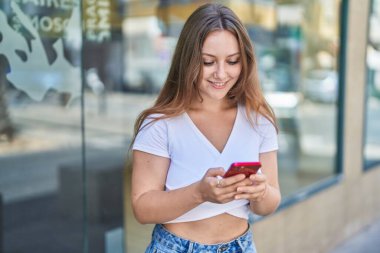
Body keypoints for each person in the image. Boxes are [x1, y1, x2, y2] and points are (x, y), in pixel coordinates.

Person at [131, 3, 281, 253]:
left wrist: (260, 192)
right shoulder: (161, 123)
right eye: (208, 62)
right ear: (187, 60)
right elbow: (142, 208)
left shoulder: (258, 120)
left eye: (232, 61)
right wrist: (199, 193)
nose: (221, 74)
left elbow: (268, 204)